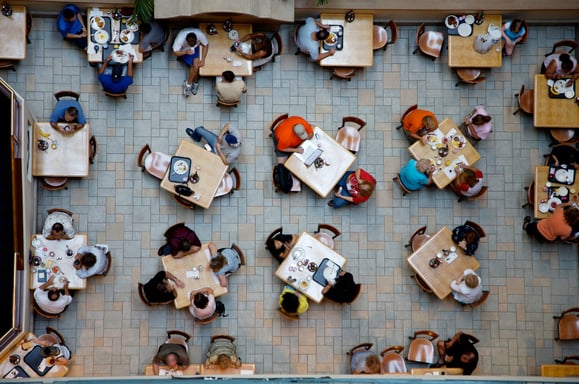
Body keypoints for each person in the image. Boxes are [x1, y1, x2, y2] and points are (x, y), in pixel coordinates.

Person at [172, 28, 209, 97]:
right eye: (190, 44)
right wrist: (185, 52)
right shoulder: (180, 39)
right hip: (184, 50)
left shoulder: (200, 35)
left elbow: (206, 45)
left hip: (195, 49)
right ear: (186, 40)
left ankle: (188, 84)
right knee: (195, 68)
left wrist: (203, 59)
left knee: (196, 67)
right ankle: (194, 82)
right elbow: (175, 52)